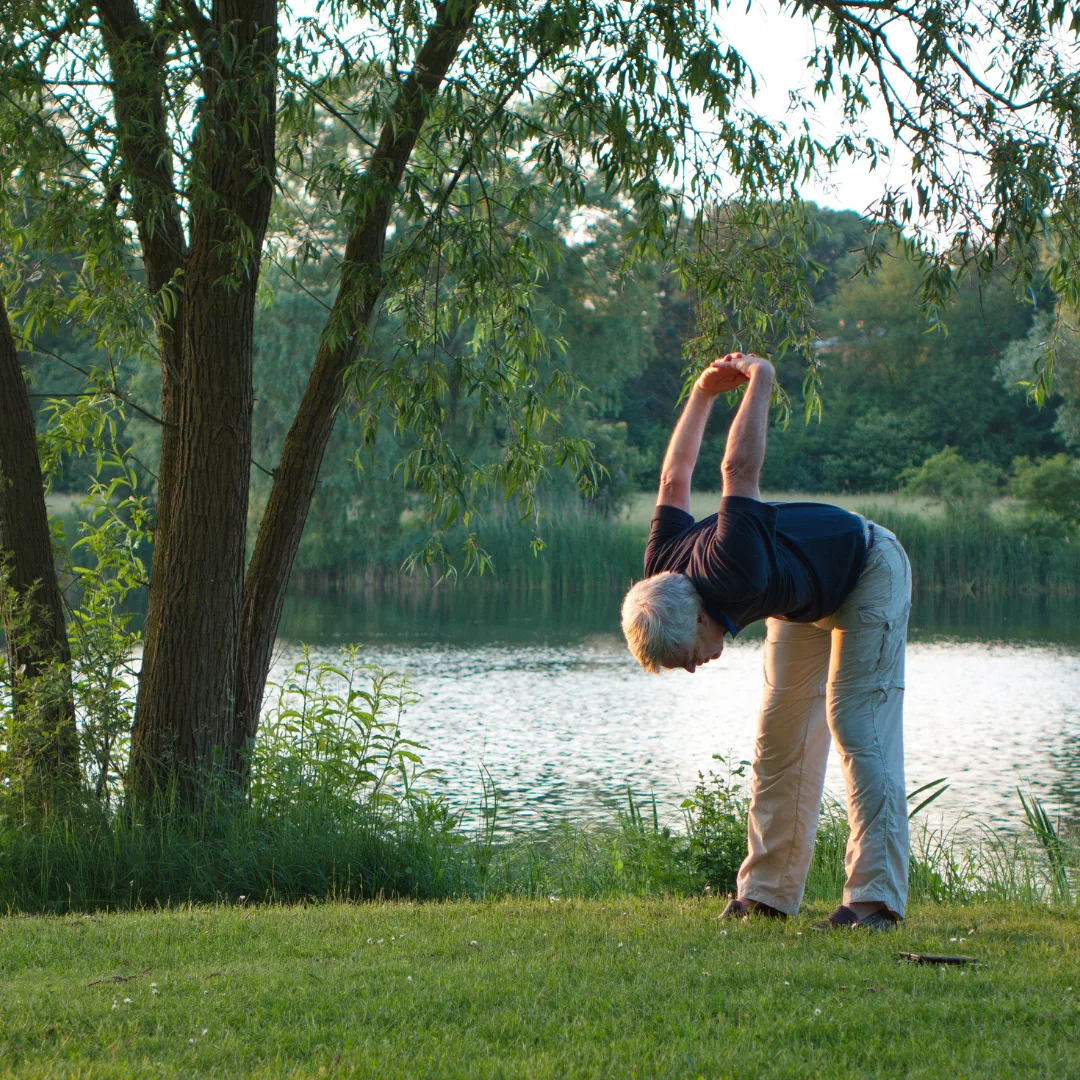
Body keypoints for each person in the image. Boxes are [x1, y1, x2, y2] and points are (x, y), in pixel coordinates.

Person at [621, 352, 911, 930]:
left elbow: (737, 470)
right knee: (778, 737)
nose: (695, 669)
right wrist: (701, 394)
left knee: (855, 723)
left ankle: (875, 901)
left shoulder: (734, 569)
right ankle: (767, 894)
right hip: (802, 596)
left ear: (700, 620)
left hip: (868, 568)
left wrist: (761, 381)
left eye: (686, 660)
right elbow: (673, 479)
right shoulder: (662, 568)